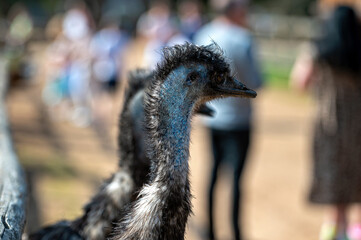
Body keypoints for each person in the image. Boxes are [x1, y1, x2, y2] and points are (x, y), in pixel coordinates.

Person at [290, 5, 361, 240]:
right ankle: (354, 230)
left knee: (335, 182)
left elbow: (299, 83)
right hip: (357, 125)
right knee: (355, 180)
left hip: (329, 124)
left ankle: (335, 230)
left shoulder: (318, 51)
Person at [194, 1, 263, 239]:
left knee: (213, 172)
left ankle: (210, 231)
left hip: (213, 118)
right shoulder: (243, 39)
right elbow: (257, 81)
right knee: (236, 178)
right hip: (240, 119)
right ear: (234, 10)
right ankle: (236, 232)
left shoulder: (203, 35)